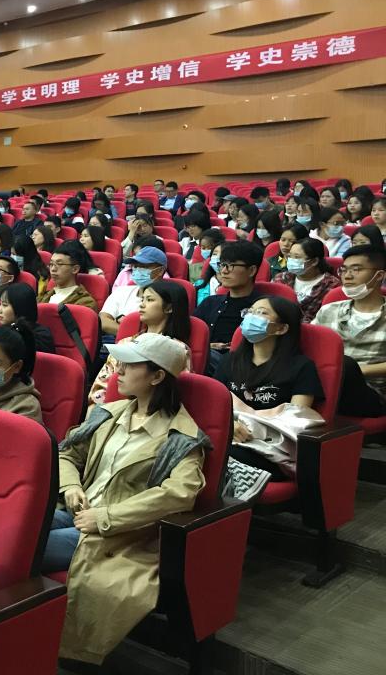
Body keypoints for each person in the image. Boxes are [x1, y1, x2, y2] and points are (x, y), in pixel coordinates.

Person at [44, 333, 206, 665]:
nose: (117, 369)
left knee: (27, 550)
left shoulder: (182, 437)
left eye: (129, 365)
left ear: (157, 376)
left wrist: (106, 518)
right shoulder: (109, 413)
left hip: (118, 532)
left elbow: (178, 494)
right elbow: (66, 453)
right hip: (79, 508)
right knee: (7, 533)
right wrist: (71, 486)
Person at [216, 297, 322, 490]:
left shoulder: (301, 367)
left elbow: (296, 420)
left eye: (262, 313)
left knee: (214, 455)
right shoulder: (229, 361)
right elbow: (213, 405)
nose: (251, 317)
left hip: (269, 449)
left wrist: (248, 429)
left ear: (281, 328)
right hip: (228, 436)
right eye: (250, 311)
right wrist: (229, 425)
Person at [90, 281, 193, 404]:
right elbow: (100, 387)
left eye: (149, 300)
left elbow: (176, 393)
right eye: (142, 299)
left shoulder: (178, 350)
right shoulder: (125, 343)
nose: (142, 305)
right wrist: (96, 412)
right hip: (111, 409)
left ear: (169, 308)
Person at [313, 246, 386, 417]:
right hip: (325, 382)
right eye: (344, 270)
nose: (347, 276)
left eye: (356, 269)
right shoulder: (329, 310)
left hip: (371, 391)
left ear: (379, 275)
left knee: (346, 365)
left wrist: (358, 370)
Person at [193, 240, 264, 374]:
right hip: (205, 360)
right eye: (222, 265)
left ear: (251, 270)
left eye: (231, 266)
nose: (224, 271)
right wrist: (207, 346)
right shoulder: (210, 302)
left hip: (239, 366)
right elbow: (190, 335)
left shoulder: (263, 309)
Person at [100, 246, 167, 336]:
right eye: (135, 266)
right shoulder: (121, 291)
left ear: (160, 270)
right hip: (112, 340)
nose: (138, 270)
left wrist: (124, 327)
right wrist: (133, 334)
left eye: (144, 266)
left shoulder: (166, 299)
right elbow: (104, 322)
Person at [272, 238, 341, 323]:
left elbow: (325, 318)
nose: (291, 260)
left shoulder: (331, 285)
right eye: (290, 256)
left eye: (297, 257)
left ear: (314, 261)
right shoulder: (281, 278)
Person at [38, 241, 98, 309]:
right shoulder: (44, 295)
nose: (53, 269)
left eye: (59, 264)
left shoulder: (85, 302)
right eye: (51, 264)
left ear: (75, 269)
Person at [0, 283, 54, 354]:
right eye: (0, 304)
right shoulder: (4, 330)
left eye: (4, 305)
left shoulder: (40, 336)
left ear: (20, 307)